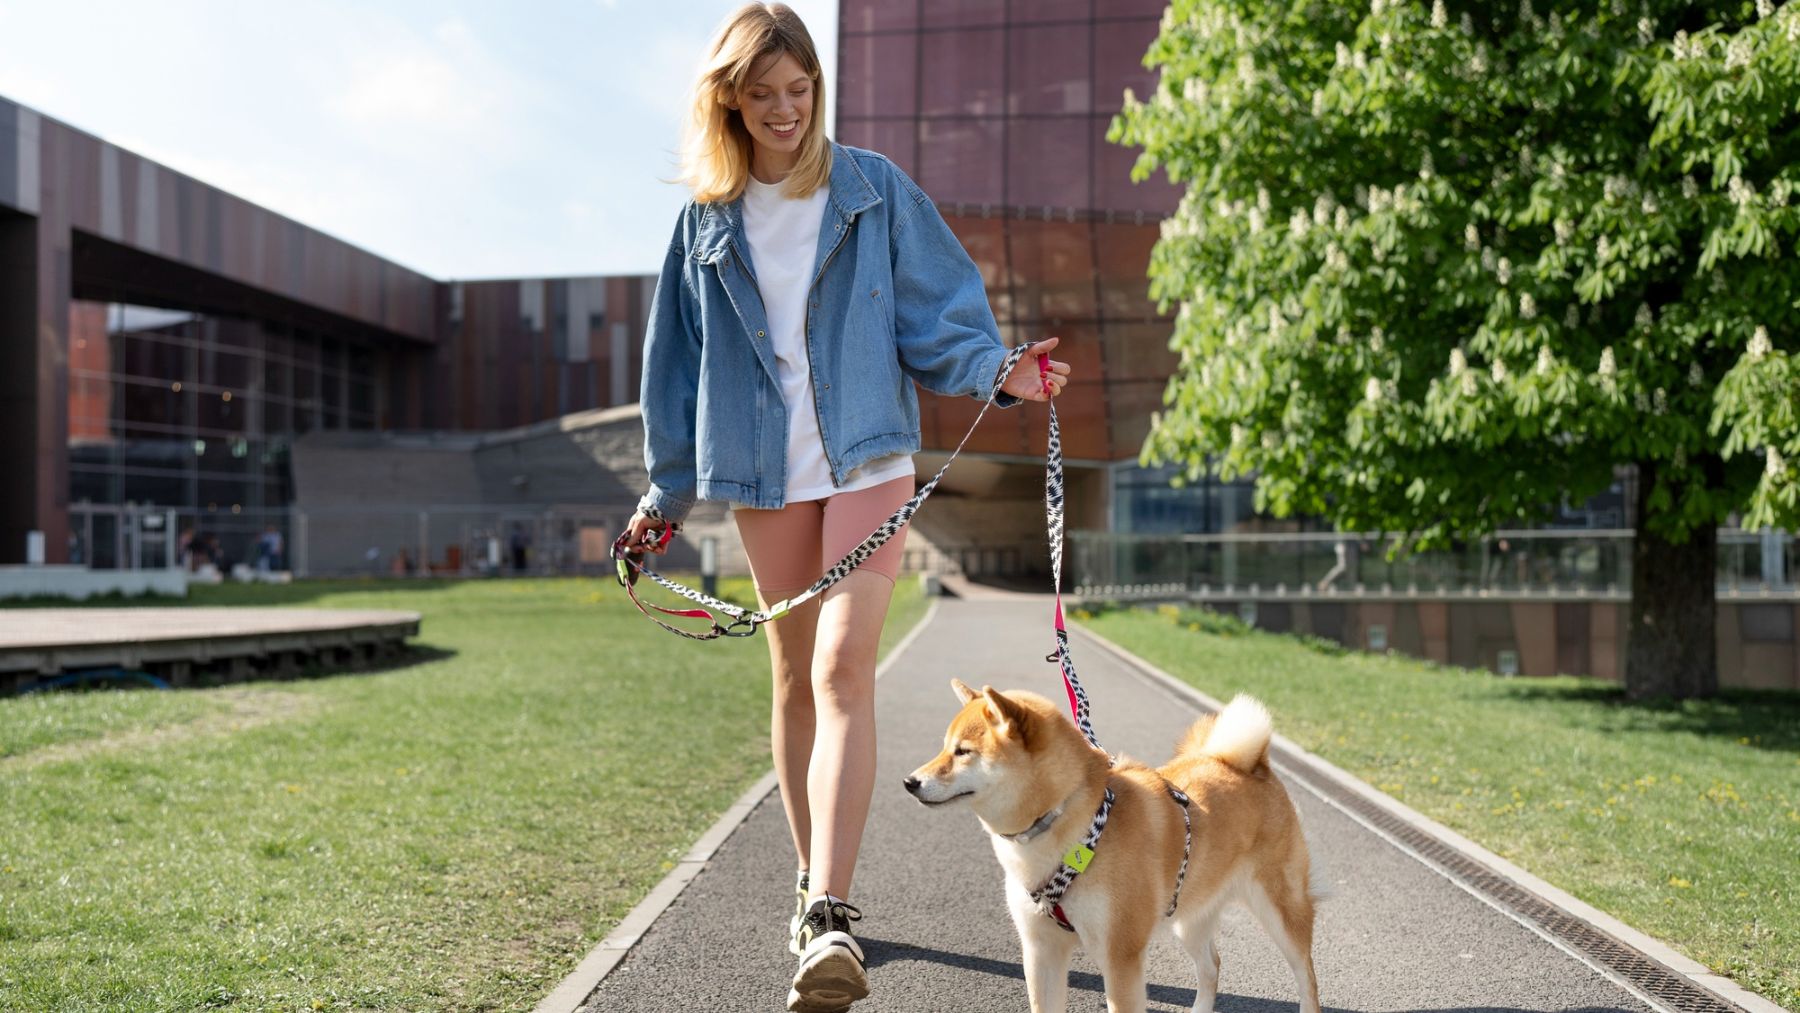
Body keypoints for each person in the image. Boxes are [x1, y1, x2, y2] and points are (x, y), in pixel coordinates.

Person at [620, 5, 1070, 1011]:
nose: (786, 111)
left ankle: (829, 908)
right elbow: (676, 365)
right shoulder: (703, 220)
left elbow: (941, 310)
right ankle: (811, 879)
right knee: (791, 680)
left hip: (866, 452)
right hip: (760, 470)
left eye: (801, 89)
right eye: (764, 94)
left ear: (818, 87)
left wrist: (999, 372)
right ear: (729, 99)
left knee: (839, 664)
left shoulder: (870, 190)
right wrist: (664, 489)